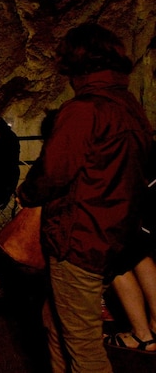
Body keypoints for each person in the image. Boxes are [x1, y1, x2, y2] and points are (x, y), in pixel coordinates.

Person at [17, 23, 154, 373]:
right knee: (55, 320)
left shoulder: (83, 111)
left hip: (79, 239)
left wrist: (27, 192)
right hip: (113, 237)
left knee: (84, 346)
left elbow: (54, 171)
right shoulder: (129, 106)